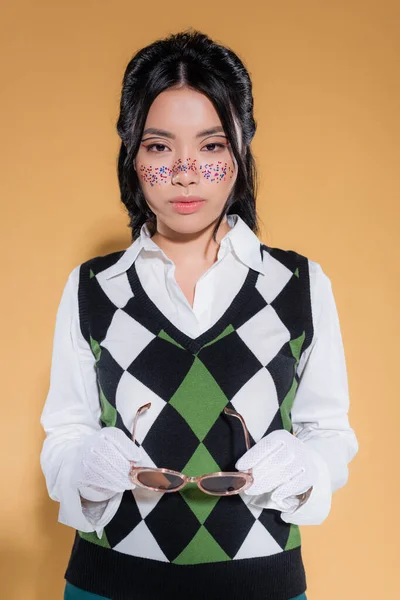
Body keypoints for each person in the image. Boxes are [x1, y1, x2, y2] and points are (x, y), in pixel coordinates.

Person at [39, 28, 359, 600]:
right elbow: (64, 433)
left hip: (262, 586)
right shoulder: (93, 287)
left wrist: (303, 465)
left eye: (211, 147)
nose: (185, 172)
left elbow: (330, 434)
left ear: (240, 151)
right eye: (160, 147)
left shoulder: (298, 285)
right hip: (110, 585)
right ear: (132, 153)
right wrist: (87, 460)